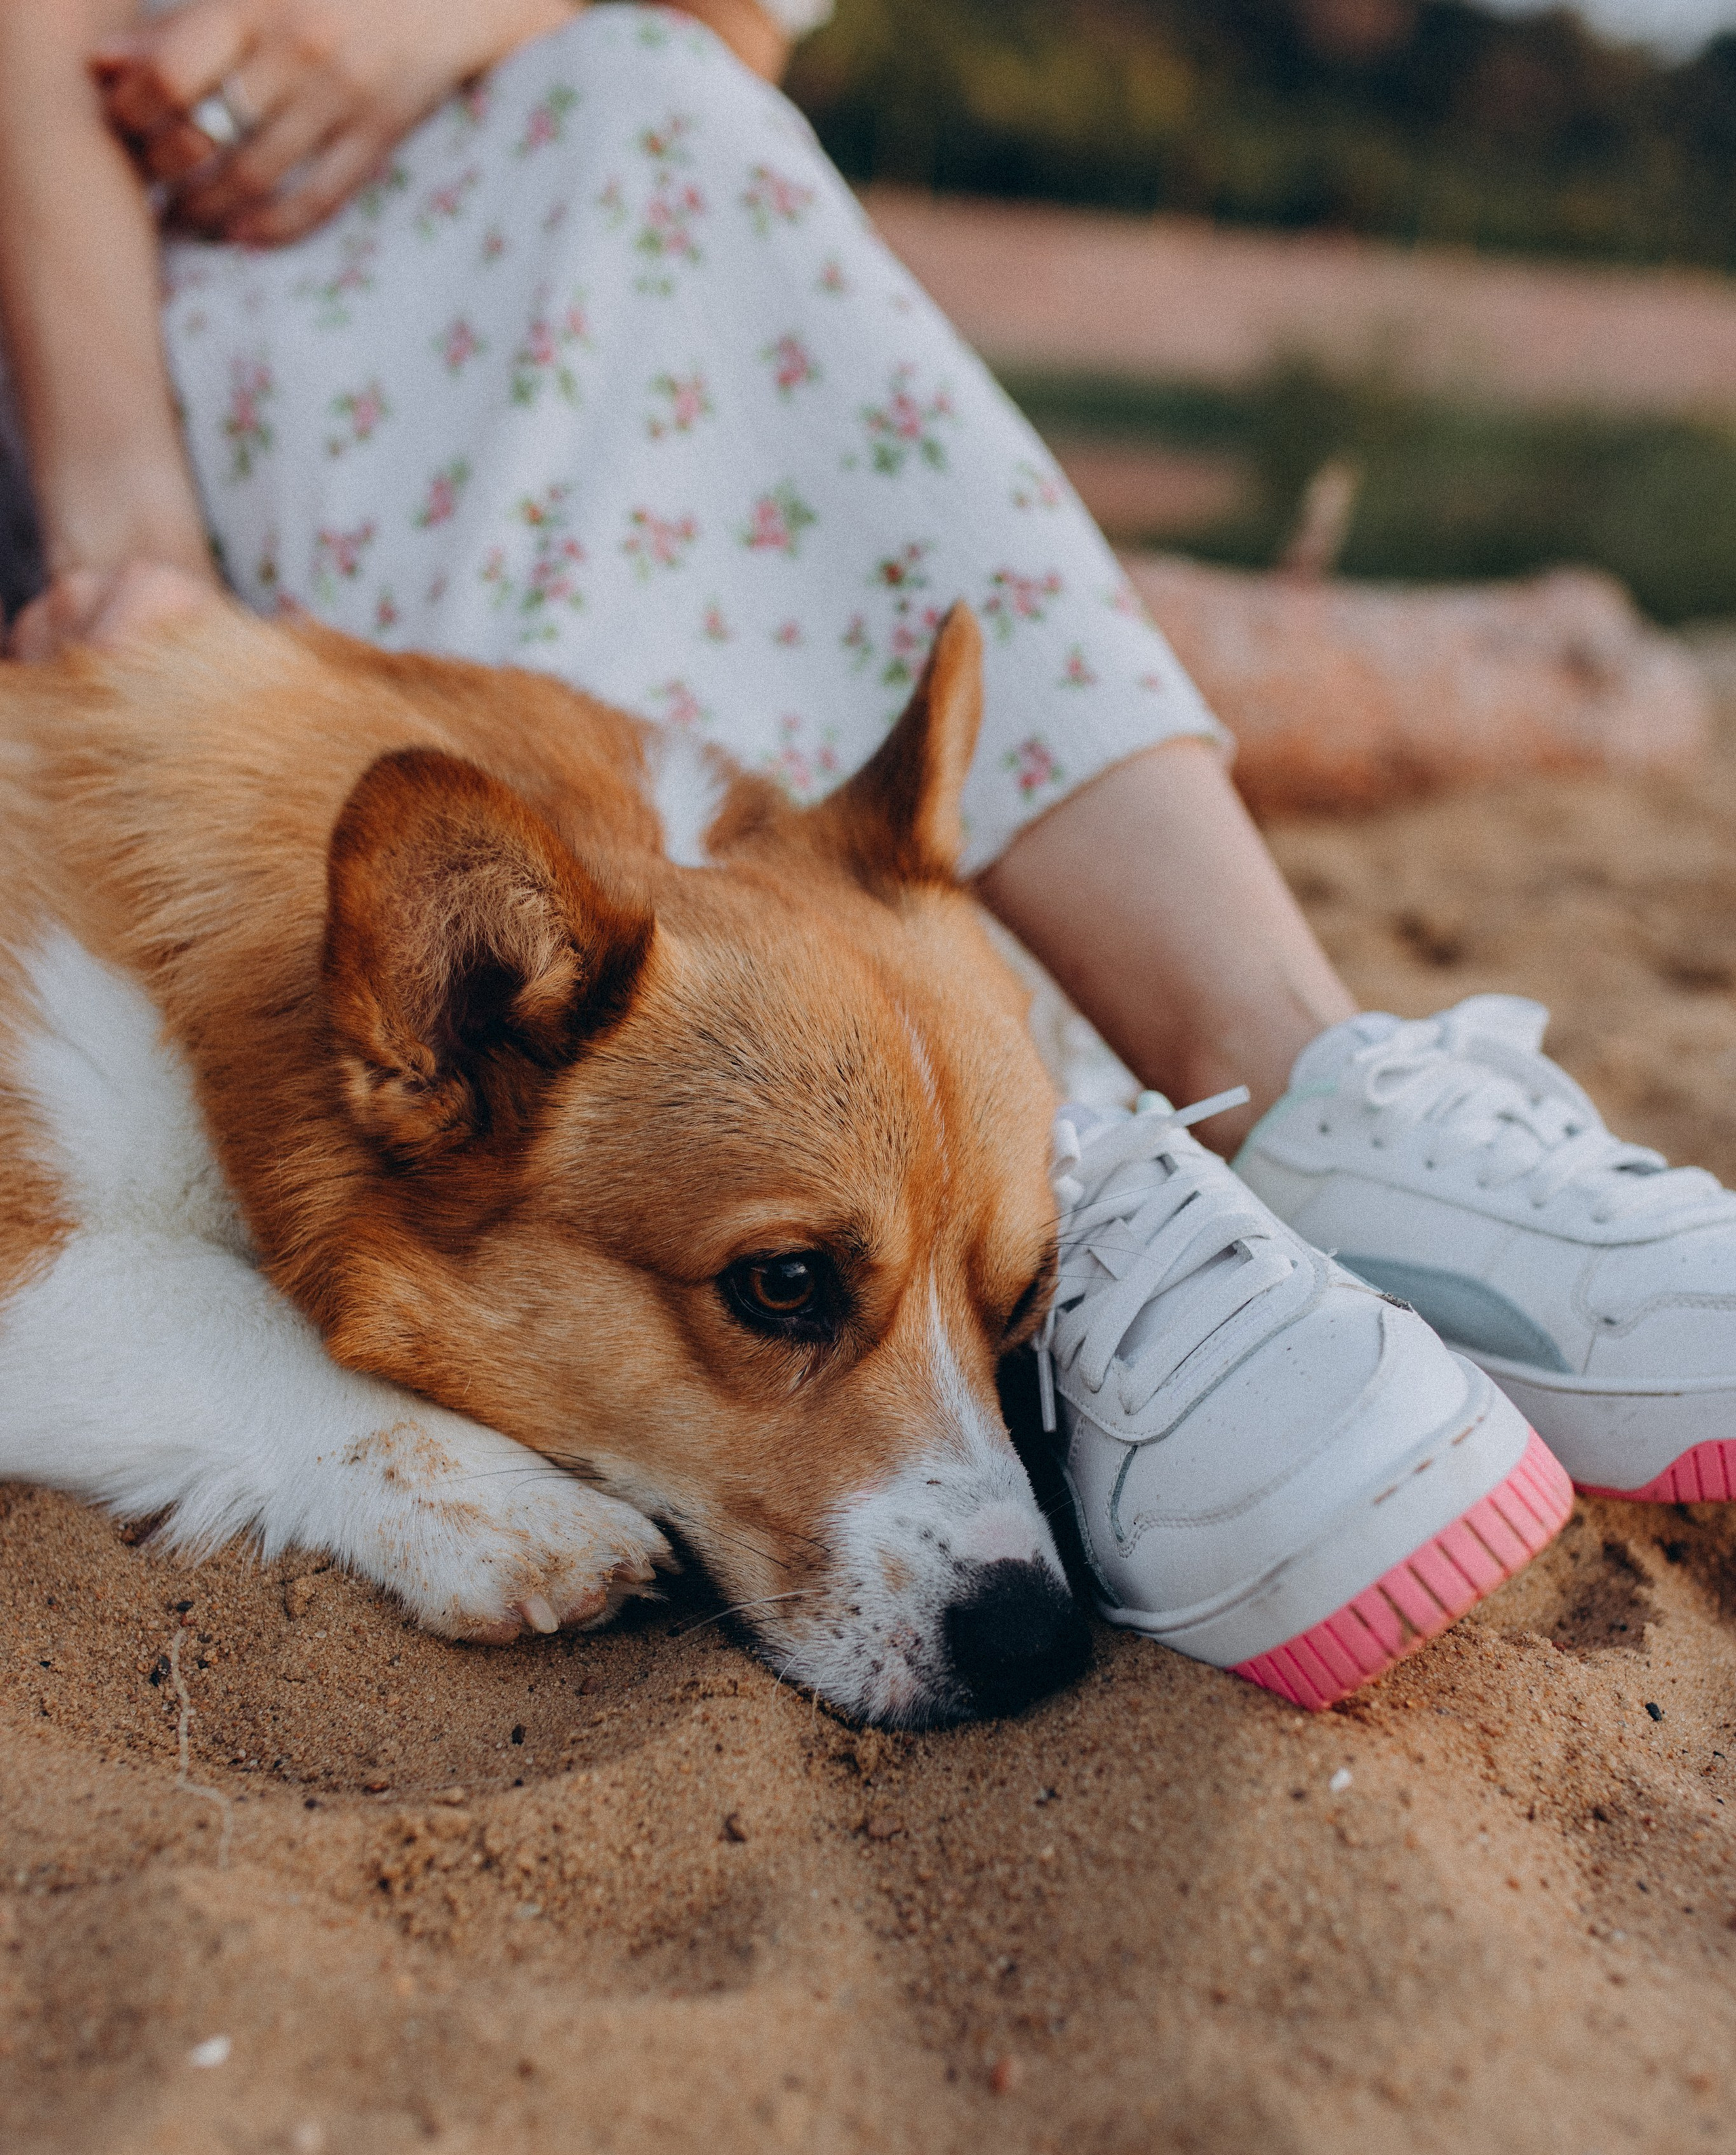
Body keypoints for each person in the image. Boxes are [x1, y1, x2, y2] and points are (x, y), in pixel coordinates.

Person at [4, 0, 1734, 1705]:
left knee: (647, 86)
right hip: (112, 306)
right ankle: (1237, 1110)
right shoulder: (312, 976)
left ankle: (1274, 1115)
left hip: (474, 233)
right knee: (634, 99)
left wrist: (429, 25)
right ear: (465, 1032)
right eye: (782, 1293)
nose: (979, 1540)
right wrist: (127, 527)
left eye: (999, 1301)